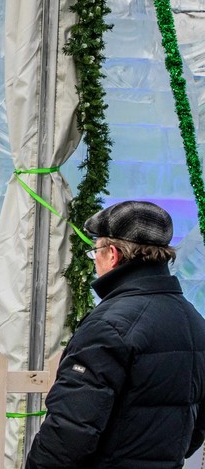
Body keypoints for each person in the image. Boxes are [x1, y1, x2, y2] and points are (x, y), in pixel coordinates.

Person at [26, 200, 205, 468]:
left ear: (112, 254)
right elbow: (196, 429)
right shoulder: (194, 321)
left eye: (95, 251)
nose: (95, 260)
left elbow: (69, 431)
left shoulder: (109, 325)